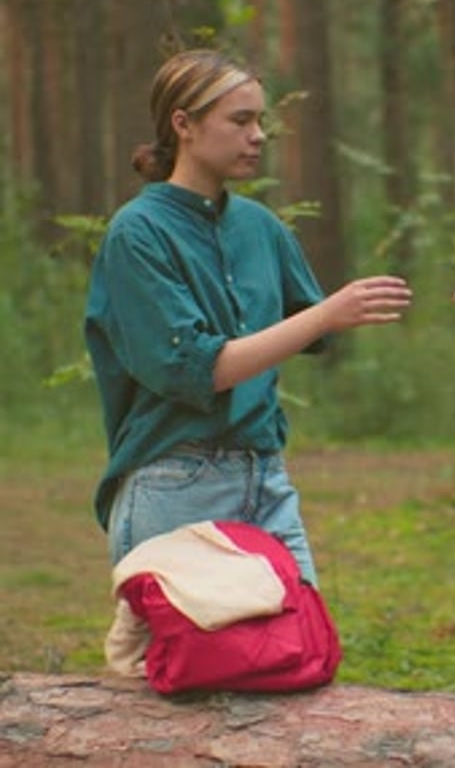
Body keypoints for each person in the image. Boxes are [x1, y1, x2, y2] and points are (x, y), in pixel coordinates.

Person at [85, 48, 412, 587]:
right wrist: (328, 313)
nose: (258, 135)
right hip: (174, 480)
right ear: (183, 124)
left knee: (299, 657)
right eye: (240, 120)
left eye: (260, 120)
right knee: (184, 668)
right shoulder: (137, 233)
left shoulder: (261, 227)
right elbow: (200, 369)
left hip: (265, 475)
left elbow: (312, 328)